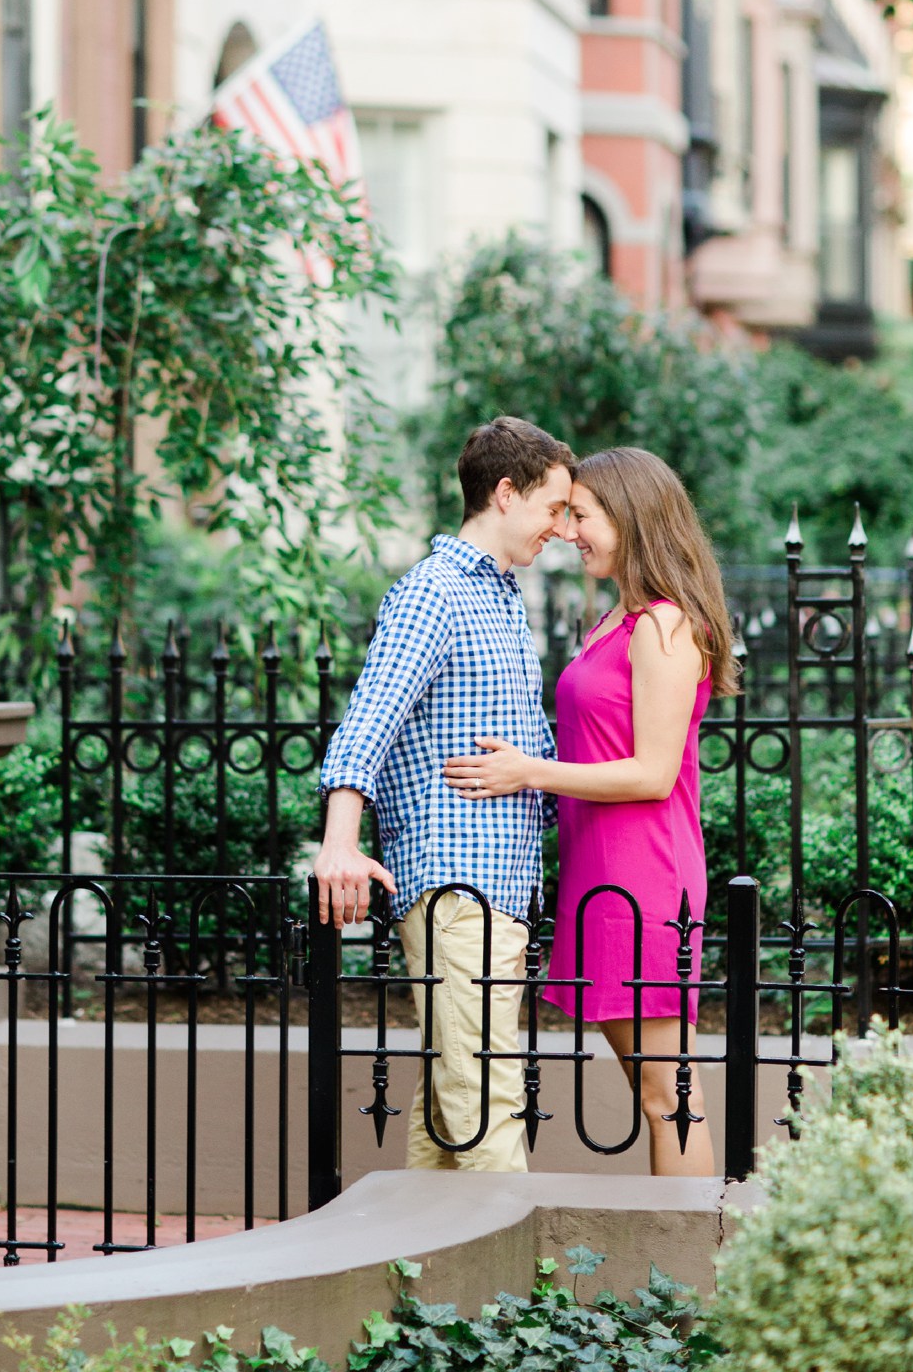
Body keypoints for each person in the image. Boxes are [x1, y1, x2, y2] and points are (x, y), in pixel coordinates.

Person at [443, 445, 736, 1175]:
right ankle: (682, 1278)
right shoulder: (616, 621)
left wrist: (525, 772)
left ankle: (691, 1280)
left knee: (666, 1092)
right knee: (654, 1090)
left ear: (633, 519)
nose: (570, 531)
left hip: (641, 875)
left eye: (583, 515)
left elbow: (651, 774)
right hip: (598, 872)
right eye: (566, 513)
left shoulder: (665, 625)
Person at [312, 415, 575, 1171]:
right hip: (457, 885)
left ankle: (422, 1288)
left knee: (446, 1114)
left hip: (497, 884)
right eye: (552, 508)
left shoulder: (497, 595)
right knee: (484, 1106)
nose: (559, 528)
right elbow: (370, 716)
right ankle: (526, 1293)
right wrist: (339, 843)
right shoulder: (434, 592)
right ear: (504, 493)